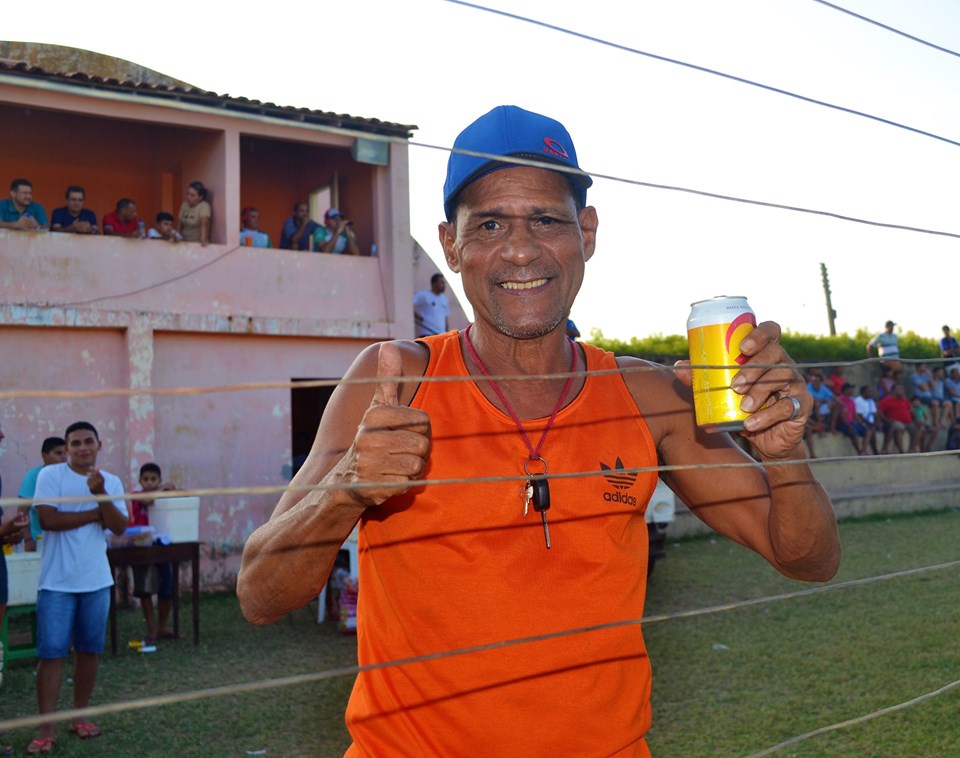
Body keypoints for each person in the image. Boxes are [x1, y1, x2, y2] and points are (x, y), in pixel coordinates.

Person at [237, 105, 840, 756]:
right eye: (490, 223)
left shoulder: (645, 397)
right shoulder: (394, 381)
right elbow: (260, 596)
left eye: (546, 220)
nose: (520, 249)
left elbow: (807, 558)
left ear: (587, 231)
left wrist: (784, 454)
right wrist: (347, 491)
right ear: (451, 245)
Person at [30, 421, 128, 752]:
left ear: (99, 445)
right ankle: (46, 728)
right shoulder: (51, 476)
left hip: (96, 581)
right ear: (67, 447)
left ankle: (80, 717)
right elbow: (48, 520)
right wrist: (92, 514)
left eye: (88, 442)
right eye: (75, 443)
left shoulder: (110, 481)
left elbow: (118, 526)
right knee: (52, 654)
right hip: (56, 583)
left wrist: (100, 495)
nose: (83, 447)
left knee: (89, 651)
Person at [128, 463, 177, 643]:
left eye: (153, 479)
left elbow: (182, 497)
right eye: (146, 479)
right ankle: (151, 629)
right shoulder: (136, 495)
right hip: (141, 546)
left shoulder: (162, 495)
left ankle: (161, 627)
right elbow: (147, 501)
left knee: (167, 588)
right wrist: (162, 489)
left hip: (162, 544)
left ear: (159, 480)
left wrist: (171, 490)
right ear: (140, 481)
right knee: (145, 590)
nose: (149, 483)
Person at [16, 436, 67, 552]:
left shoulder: (70, 476)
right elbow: (22, 511)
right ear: (45, 456)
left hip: (66, 540)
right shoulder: (33, 477)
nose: (64, 457)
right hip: (40, 540)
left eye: (66, 453)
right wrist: (28, 539)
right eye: (58, 453)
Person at [877, 384, 916, 454]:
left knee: (917, 429)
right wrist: (886, 420)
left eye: (902, 389)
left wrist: (917, 421)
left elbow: (911, 411)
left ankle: (911, 449)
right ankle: (901, 450)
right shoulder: (886, 400)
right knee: (899, 427)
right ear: (893, 391)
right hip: (895, 421)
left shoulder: (904, 400)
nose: (902, 391)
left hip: (907, 422)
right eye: (899, 389)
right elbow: (879, 412)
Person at [830, 383, 865, 455]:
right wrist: (849, 426)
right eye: (850, 389)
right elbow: (840, 416)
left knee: (868, 431)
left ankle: (863, 450)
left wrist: (860, 422)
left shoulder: (852, 400)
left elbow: (854, 415)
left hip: (851, 422)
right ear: (845, 390)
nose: (852, 391)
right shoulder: (839, 400)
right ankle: (859, 451)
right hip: (841, 423)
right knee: (854, 432)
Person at [178, 181, 211, 245]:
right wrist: (178, 237)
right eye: (188, 194)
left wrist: (203, 241)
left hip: (196, 243)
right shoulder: (184, 205)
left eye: (192, 195)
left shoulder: (204, 206)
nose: (188, 197)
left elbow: (204, 225)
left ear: (200, 197)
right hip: (183, 242)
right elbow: (179, 224)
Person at [854, 385, 880, 455]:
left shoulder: (871, 401)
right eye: (869, 391)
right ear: (864, 392)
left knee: (873, 430)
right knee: (870, 430)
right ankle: (864, 450)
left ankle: (875, 451)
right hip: (862, 422)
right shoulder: (858, 400)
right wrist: (868, 423)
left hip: (871, 422)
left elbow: (874, 413)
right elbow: (859, 415)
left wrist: (877, 422)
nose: (870, 393)